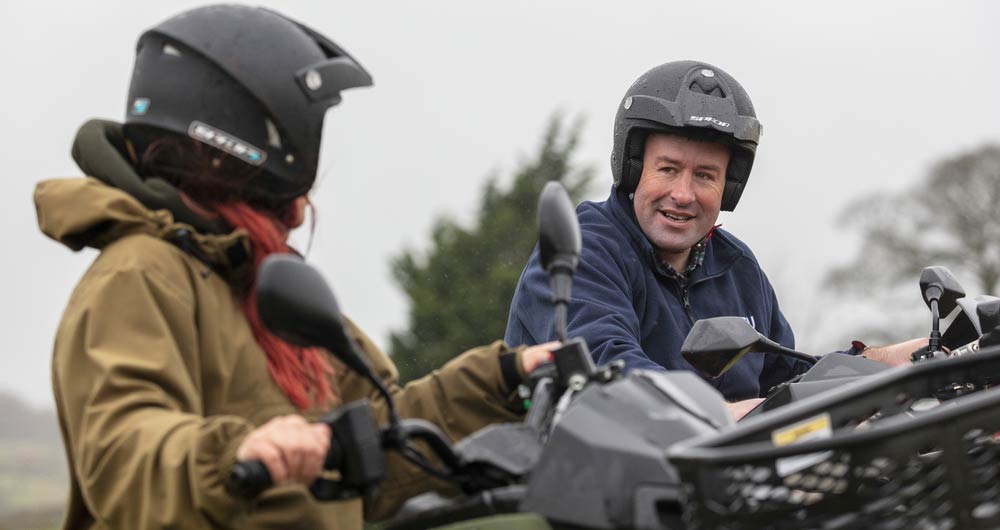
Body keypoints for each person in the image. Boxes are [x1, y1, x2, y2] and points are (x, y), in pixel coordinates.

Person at [36, 6, 555, 529]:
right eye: (299, 138)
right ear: (240, 139)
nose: (306, 197)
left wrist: (504, 380)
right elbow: (122, 453)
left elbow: (377, 440)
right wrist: (238, 456)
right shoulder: (140, 276)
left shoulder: (256, 278)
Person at [504, 60, 921, 418]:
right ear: (633, 169)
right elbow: (609, 377)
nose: (683, 194)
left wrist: (898, 360)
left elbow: (792, 383)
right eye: (667, 169)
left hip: (722, 495)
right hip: (583, 495)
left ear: (729, 187)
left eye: (705, 176)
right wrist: (730, 419)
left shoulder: (738, 269)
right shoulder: (583, 251)